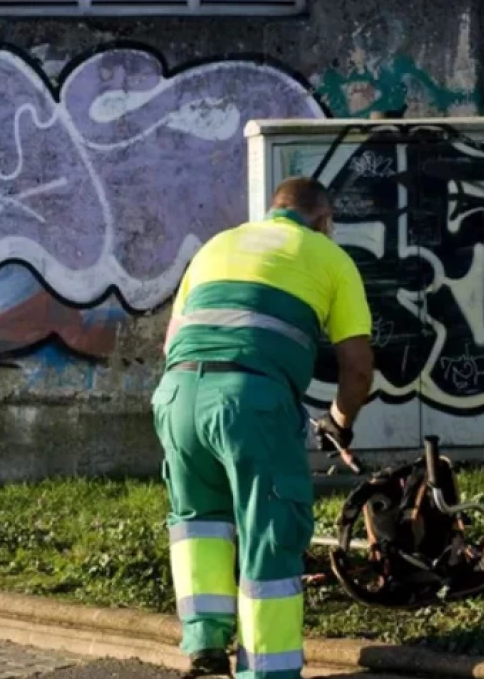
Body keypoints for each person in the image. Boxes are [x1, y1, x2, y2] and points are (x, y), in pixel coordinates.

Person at [151, 177, 374, 679]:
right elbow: (357, 368)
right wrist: (339, 421)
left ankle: (205, 647)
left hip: (178, 396)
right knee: (269, 534)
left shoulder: (218, 245)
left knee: (198, 522)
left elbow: (171, 345)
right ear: (323, 221)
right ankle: (267, 671)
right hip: (249, 402)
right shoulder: (328, 255)